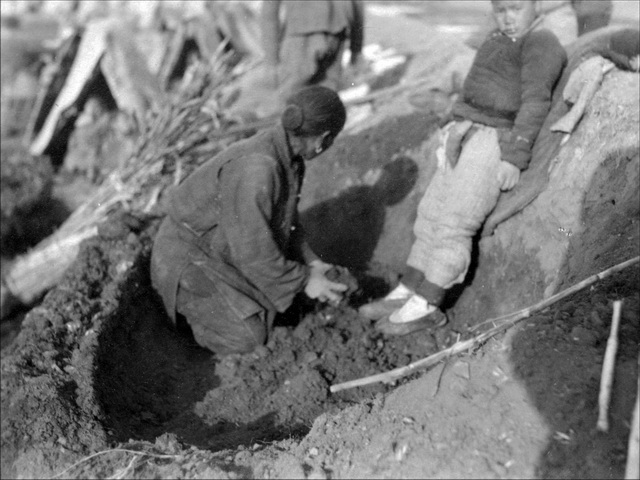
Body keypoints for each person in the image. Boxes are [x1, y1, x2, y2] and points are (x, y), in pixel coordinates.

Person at [359, 0, 567, 336]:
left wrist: (514, 157)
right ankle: (410, 287)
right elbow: (471, 90)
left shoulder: (542, 43)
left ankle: (428, 302)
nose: (507, 17)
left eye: (516, 8)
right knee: (431, 212)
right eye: (500, 10)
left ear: (535, 5)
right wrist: (451, 125)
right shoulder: (495, 40)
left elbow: (535, 102)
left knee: (455, 221)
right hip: (466, 132)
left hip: (495, 139)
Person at [151, 85, 348, 355]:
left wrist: (312, 261)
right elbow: (253, 251)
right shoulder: (259, 169)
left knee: (273, 305)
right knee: (250, 337)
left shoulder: (288, 157)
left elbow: (285, 221)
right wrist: (304, 281)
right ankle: (186, 334)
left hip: (222, 246)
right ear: (323, 139)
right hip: (186, 258)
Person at [261, 0, 365, 96]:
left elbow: (269, 12)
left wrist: (271, 60)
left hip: (306, 34)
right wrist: (356, 49)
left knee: (300, 98)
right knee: (323, 99)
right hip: (334, 31)